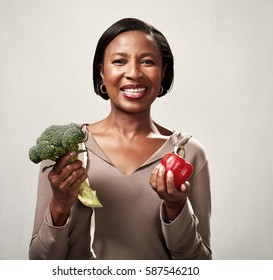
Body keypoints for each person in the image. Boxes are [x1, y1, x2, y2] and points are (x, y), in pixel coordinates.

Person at [29, 18, 212, 260]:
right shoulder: (67, 151)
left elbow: (200, 265)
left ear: (163, 72)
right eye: (119, 61)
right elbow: (40, 263)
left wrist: (176, 207)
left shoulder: (187, 153)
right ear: (102, 72)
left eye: (147, 61)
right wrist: (59, 207)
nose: (134, 73)